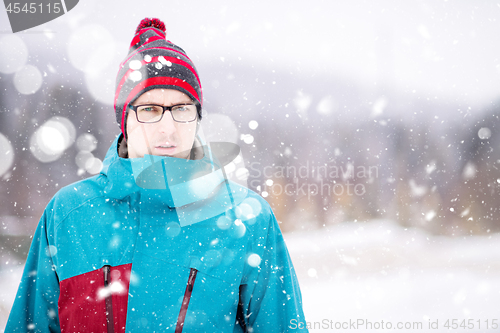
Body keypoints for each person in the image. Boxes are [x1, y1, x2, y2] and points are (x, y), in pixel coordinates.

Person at [5, 18, 308, 332]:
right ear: (125, 119)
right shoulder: (68, 215)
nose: (168, 127)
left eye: (182, 108)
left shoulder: (246, 219)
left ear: (197, 117)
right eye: (149, 109)